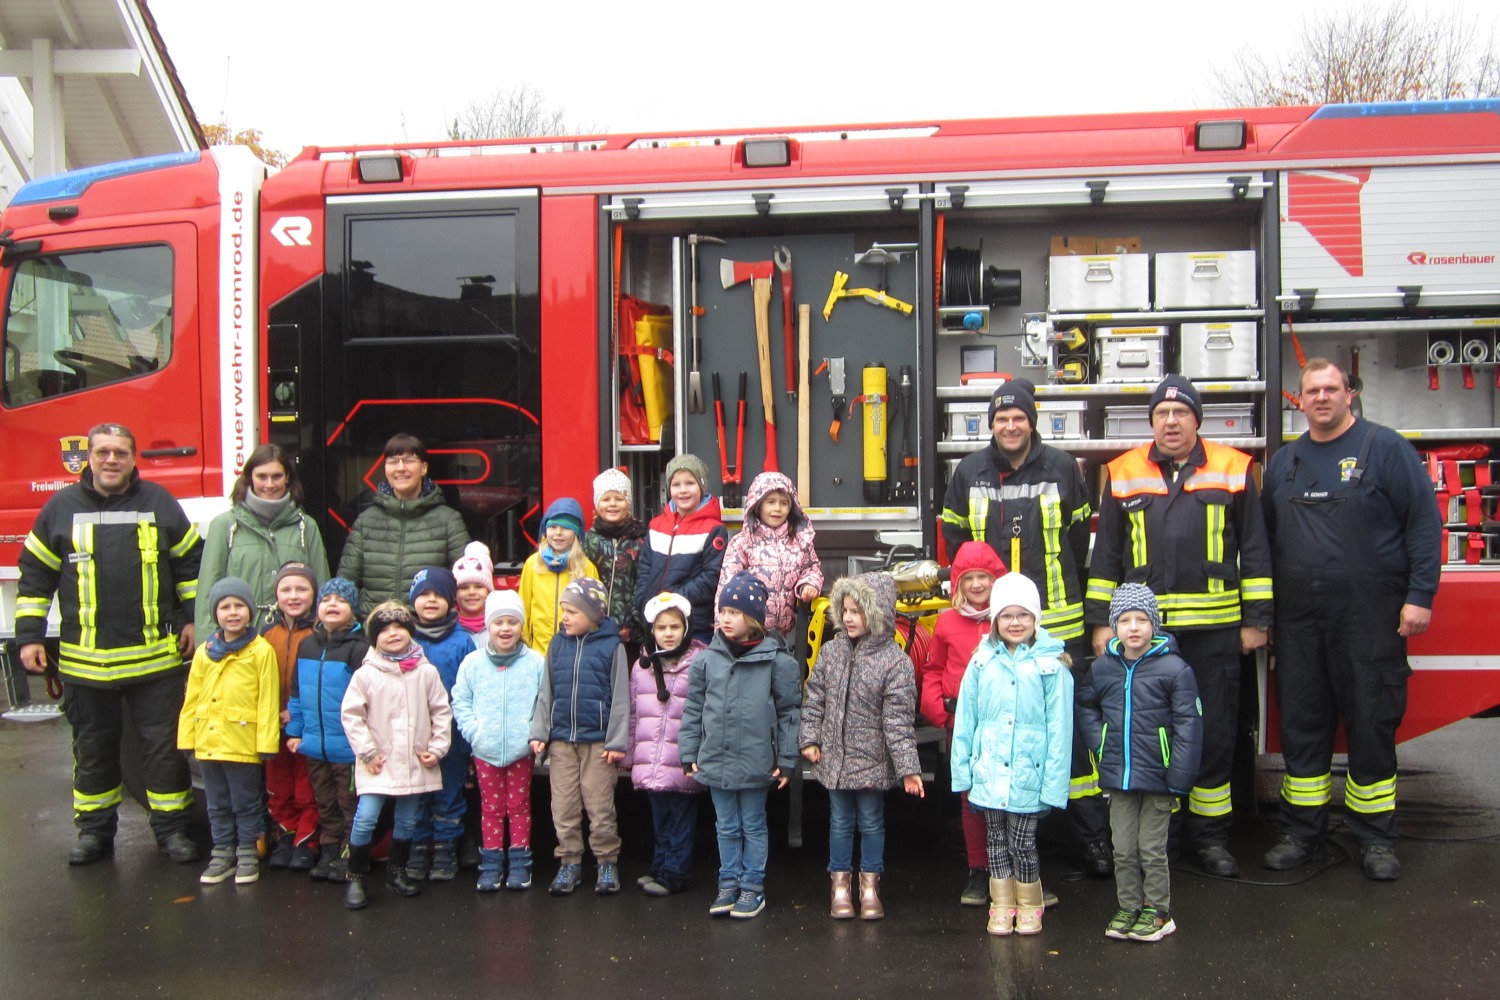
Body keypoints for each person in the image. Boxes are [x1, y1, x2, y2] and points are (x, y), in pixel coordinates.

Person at [1260, 358, 1442, 882]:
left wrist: (1420, 596)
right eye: (1311, 391)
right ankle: (1301, 832)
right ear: (1299, 399)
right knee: (1303, 726)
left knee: (1371, 724)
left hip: (1369, 617)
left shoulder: (1385, 449)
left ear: (1350, 393)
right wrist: (1267, 614)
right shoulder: (1285, 463)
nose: (1321, 398)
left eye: (1331, 389)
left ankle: (1376, 838)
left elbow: (1424, 526)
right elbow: (1267, 544)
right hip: (1299, 621)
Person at [1085, 374, 1274, 879]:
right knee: (1151, 733)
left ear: (1197, 420)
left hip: (1215, 633)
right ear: (1151, 422)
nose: (1171, 422)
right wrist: (1102, 624)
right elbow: (1106, 557)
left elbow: (1254, 549)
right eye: (1162, 415)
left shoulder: (1234, 469)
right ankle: (1162, 842)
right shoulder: (1122, 473)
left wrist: (1256, 620)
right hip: (1145, 639)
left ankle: (1209, 839)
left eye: (1181, 413)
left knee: (1212, 734)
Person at [939, 378, 1111, 877]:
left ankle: (1091, 838)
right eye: (1000, 418)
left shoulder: (1062, 467)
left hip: (1058, 623)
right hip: (989, 629)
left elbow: (1080, 542)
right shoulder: (969, 471)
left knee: (1068, 733)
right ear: (990, 423)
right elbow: (956, 544)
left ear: (1032, 420)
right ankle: (1007, 853)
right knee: (1002, 731)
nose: (1010, 426)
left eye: (1019, 417)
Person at [16, 421, 203, 866]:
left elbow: (192, 566)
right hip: (86, 664)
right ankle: (94, 833)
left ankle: (172, 831)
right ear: (89, 457)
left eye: (120, 452)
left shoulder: (159, 503)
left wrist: (196, 621)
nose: (111, 460)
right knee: (93, 751)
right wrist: (28, 637)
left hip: (154, 660)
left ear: (133, 457)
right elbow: (35, 576)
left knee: (163, 751)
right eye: (103, 452)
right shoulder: (59, 508)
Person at [1078, 584, 1203, 943]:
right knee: (1123, 847)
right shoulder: (1104, 668)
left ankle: (1158, 910)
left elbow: (1189, 726)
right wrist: (1099, 742)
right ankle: (1129, 906)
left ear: (1155, 625)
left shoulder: (1175, 669)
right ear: (1115, 626)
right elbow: (1086, 705)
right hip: (1119, 776)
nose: (1134, 627)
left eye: (1142, 620)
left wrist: (1178, 776)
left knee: (1151, 848)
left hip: (1159, 778)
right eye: (1125, 620)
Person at [950, 573, 1072, 936]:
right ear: (995, 621)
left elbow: (1060, 731)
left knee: (1022, 841)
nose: (1015, 622)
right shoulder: (981, 662)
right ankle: (1001, 903)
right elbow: (966, 721)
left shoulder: (1052, 666)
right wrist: (963, 774)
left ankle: (1030, 903)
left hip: (1027, 777)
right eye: (1007, 615)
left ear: (1035, 619)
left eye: (1023, 615)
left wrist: (1053, 786)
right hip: (989, 772)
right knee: (996, 841)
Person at [799, 571, 924, 921]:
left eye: (858, 611)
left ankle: (870, 887)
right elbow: (814, 699)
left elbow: (899, 721)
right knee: (839, 822)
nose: (850, 617)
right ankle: (840, 886)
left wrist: (908, 768)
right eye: (846, 610)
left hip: (871, 762)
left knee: (870, 822)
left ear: (878, 612)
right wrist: (810, 738)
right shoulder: (831, 652)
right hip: (836, 760)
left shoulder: (895, 663)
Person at [679, 571, 801, 921]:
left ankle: (753, 886)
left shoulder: (777, 662)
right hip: (715, 759)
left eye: (734, 612)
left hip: (756, 760)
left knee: (752, 824)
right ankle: (728, 882)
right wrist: (688, 752)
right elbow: (693, 710)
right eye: (723, 611)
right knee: (725, 825)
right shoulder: (706, 660)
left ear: (753, 619)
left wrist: (787, 758)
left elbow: (790, 712)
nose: (726, 619)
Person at [340, 602, 452, 909]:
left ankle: (397, 872)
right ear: (374, 638)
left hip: (416, 759)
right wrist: (367, 752)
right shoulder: (366, 674)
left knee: (407, 819)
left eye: (399, 627)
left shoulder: (426, 672)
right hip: (378, 762)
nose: (392, 634)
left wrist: (437, 748)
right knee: (365, 818)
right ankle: (356, 876)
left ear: (410, 632)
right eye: (384, 630)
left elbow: (441, 711)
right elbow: (351, 715)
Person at [527, 578, 630, 897]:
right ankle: (569, 861)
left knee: (600, 805)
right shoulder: (557, 645)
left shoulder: (612, 646)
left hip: (598, 742)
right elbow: (547, 691)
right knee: (564, 806)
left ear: (594, 613)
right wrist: (540, 732)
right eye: (563, 611)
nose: (565, 617)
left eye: (572, 611)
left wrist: (616, 741)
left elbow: (621, 697)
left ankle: (606, 860)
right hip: (561, 742)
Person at [178, 577, 281, 886]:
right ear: (215, 613)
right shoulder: (205, 652)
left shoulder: (261, 651)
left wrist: (266, 742)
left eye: (239, 606)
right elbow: (191, 697)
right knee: (217, 802)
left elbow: (267, 699)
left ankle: (247, 851)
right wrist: (187, 737)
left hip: (243, 742)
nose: (232, 612)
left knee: (246, 801)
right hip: (208, 743)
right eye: (225, 607)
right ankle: (222, 852)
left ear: (250, 611)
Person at [920, 540, 1007, 905]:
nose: (976, 585)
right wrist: (939, 712)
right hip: (963, 725)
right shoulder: (946, 622)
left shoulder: (1010, 619)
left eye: (983, 577)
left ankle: (1016, 870)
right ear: (957, 583)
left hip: (1003, 725)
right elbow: (933, 670)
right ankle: (978, 870)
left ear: (995, 581)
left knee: (1007, 796)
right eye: (968, 578)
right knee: (971, 799)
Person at [451, 589, 545, 892]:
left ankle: (520, 863)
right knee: (491, 808)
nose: (505, 628)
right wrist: (474, 731)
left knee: (518, 806)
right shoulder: (472, 663)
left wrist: (533, 733)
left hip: (521, 750)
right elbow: (460, 701)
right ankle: (490, 863)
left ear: (521, 626)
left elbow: (544, 702)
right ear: (488, 626)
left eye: (512, 622)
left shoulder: (535, 663)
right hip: (485, 749)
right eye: (498, 622)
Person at [196, 443, 330, 636]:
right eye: (262, 476)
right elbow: (207, 594)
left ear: (287, 478)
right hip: (239, 643)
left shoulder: (306, 526)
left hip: (296, 642)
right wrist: (207, 648)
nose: (269, 484)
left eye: (277, 476)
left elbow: (322, 589)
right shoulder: (225, 525)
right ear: (250, 477)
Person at [285, 577, 368, 883]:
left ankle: (351, 855)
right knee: (325, 800)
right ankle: (329, 850)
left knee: (350, 803)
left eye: (341, 601)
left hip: (347, 748)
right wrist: (295, 732)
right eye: (326, 600)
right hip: (315, 744)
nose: (332, 604)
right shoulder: (308, 644)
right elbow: (296, 694)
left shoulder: (360, 649)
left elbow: (368, 700)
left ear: (354, 611)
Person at [626, 592, 708, 897]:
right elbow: (635, 711)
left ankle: (676, 873)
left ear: (686, 629)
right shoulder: (642, 666)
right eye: (662, 628)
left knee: (681, 819)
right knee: (660, 818)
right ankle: (660, 867)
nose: (669, 633)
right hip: (651, 759)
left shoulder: (699, 663)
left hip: (682, 759)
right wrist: (630, 752)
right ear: (652, 631)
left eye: (675, 627)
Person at [336, 433, 470, 616]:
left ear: (423, 468)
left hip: (428, 634)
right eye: (393, 461)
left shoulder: (449, 520)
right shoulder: (365, 522)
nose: (400, 468)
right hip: (375, 633)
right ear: (385, 469)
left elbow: (465, 583)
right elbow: (344, 586)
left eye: (408, 461)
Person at [403, 566, 477, 883]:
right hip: (410, 735)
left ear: (450, 601)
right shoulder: (403, 639)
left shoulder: (463, 642)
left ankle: (446, 847)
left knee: (448, 792)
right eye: (423, 595)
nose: (430, 601)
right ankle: (419, 848)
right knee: (416, 795)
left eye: (438, 595)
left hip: (451, 737)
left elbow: (472, 689)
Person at [259, 562, 323, 871]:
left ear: (314, 593)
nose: (294, 596)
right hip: (273, 723)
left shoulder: (321, 633)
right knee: (278, 783)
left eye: (302, 589)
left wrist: (297, 712)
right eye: (286, 589)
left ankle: (307, 838)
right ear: (276, 594)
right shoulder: (266, 633)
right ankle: (285, 833)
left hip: (309, 725)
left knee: (306, 785)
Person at [716, 471, 823, 638]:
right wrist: (721, 631)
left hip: (782, 634)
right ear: (758, 505)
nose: (777, 509)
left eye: (784, 503)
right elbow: (726, 587)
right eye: (770, 502)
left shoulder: (799, 541)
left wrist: (808, 584)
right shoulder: (743, 542)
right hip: (747, 632)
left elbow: (811, 568)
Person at [636, 454, 729, 643]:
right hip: (657, 621)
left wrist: (674, 600)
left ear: (702, 487)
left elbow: (712, 576)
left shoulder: (714, 529)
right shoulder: (656, 525)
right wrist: (643, 601)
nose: (683, 490)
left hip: (695, 624)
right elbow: (644, 569)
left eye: (690, 483)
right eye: (676, 485)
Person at [519, 497, 600, 656]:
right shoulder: (532, 565)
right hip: (538, 653)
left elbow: (595, 615)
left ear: (576, 532)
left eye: (565, 528)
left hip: (574, 653)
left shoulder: (587, 568)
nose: (558, 533)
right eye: (553, 527)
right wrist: (524, 646)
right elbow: (524, 607)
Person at [583, 468, 649, 657]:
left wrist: (633, 619)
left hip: (633, 633)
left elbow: (645, 581)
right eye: (606, 499)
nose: (612, 504)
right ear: (597, 503)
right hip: (595, 629)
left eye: (619, 499)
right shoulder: (588, 541)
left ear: (628, 503)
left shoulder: (641, 539)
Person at [451, 540, 496, 646]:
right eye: (464, 587)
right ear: (455, 594)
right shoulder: (447, 628)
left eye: (479, 587)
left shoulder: (501, 625)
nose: (471, 592)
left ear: (489, 591)